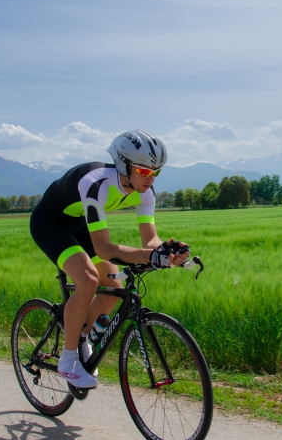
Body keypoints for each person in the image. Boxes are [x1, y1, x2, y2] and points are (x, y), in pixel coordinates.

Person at [29, 130, 190, 389]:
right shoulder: (96, 183)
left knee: (114, 288)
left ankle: (81, 337)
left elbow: (150, 240)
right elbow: (103, 248)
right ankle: (68, 361)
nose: (151, 178)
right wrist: (151, 256)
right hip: (50, 224)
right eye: (145, 171)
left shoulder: (145, 192)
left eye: (157, 172)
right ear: (124, 165)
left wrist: (170, 252)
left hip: (79, 225)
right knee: (88, 279)